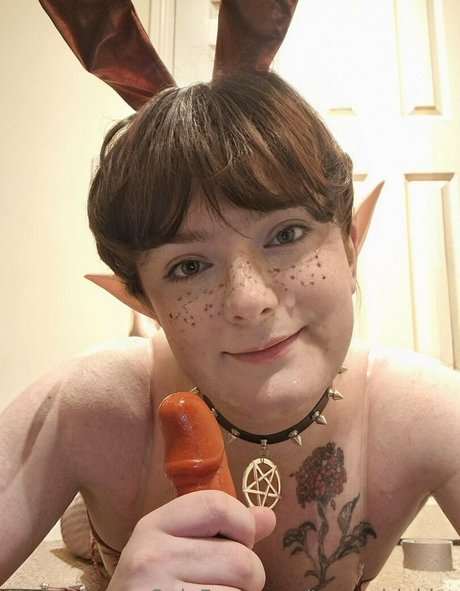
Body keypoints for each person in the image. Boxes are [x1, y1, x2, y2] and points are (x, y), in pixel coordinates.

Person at [0, 70, 459, 591]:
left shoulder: (429, 412)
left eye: (286, 234)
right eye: (189, 267)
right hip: (94, 522)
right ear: (145, 302)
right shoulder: (91, 403)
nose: (249, 301)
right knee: (78, 535)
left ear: (351, 247)